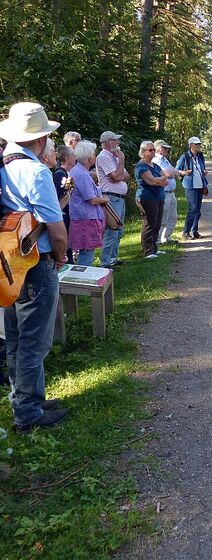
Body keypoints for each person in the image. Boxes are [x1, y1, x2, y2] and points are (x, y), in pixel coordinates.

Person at [0, 102, 68, 432]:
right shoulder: (37, 172)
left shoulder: (2, 166)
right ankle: (27, 412)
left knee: (15, 337)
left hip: (7, 263)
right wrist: (61, 256)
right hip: (34, 264)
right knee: (35, 341)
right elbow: (56, 229)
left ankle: (28, 398)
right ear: (40, 140)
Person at [68, 141, 109, 265]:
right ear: (89, 157)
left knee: (87, 252)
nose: (95, 157)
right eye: (94, 154)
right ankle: (82, 280)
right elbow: (91, 199)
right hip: (86, 219)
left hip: (84, 217)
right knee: (87, 254)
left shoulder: (78, 171)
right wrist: (105, 199)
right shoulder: (82, 174)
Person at [96, 130, 130, 268]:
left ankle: (113, 258)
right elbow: (115, 177)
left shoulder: (114, 157)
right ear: (108, 142)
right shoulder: (104, 157)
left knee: (119, 230)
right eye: (115, 140)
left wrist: (118, 173)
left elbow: (126, 176)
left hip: (119, 197)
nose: (118, 143)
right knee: (112, 230)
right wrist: (121, 161)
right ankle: (105, 262)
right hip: (111, 197)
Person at [135, 141, 167, 259]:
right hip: (146, 198)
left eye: (154, 149)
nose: (153, 151)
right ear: (143, 152)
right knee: (149, 223)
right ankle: (147, 251)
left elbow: (166, 179)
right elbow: (151, 181)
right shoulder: (141, 166)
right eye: (150, 150)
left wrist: (159, 179)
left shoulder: (155, 165)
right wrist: (160, 179)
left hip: (158, 197)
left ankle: (154, 248)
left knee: (157, 224)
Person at [177, 136, 208, 240]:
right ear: (190, 145)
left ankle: (195, 231)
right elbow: (177, 171)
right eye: (196, 144)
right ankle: (186, 232)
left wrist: (204, 172)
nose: (198, 146)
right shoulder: (184, 157)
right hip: (190, 186)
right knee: (193, 208)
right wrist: (185, 172)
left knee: (198, 210)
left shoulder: (200, 156)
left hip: (200, 185)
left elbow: (202, 168)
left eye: (199, 144)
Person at [153, 139, 179, 244]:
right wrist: (172, 173)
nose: (167, 150)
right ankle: (158, 239)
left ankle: (167, 237)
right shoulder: (156, 160)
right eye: (165, 148)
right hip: (164, 192)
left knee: (173, 216)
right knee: (163, 216)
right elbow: (169, 174)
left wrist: (176, 172)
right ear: (159, 149)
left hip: (171, 191)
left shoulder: (165, 159)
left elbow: (174, 171)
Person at [53, 145, 77, 264]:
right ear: (67, 158)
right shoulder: (60, 175)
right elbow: (61, 199)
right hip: (63, 217)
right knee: (66, 247)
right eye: (73, 155)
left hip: (67, 216)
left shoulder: (66, 173)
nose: (75, 157)